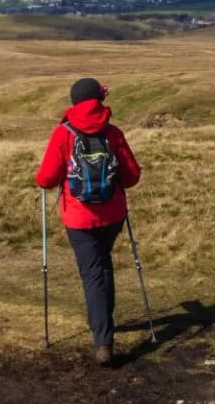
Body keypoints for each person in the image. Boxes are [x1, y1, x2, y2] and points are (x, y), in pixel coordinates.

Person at [35, 77, 144, 366]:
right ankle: (102, 325)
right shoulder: (113, 133)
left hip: (79, 217)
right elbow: (132, 177)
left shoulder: (63, 134)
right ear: (100, 100)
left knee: (93, 272)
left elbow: (46, 179)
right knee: (103, 265)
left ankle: (103, 341)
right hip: (113, 214)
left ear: (73, 102)